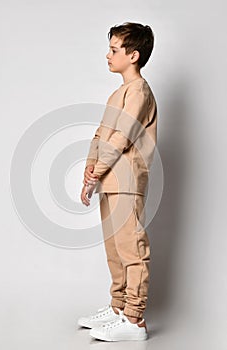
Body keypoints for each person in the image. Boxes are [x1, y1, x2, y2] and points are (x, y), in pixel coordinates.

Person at [78, 22, 158, 342]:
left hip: (125, 177)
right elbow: (102, 133)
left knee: (131, 246)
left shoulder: (139, 91)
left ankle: (134, 319)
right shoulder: (118, 93)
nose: (108, 54)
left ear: (133, 55)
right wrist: (90, 169)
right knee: (114, 249)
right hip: (109, 178)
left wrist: (99, 168)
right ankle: (117, 307)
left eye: (114, 49)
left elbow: (123, 135)